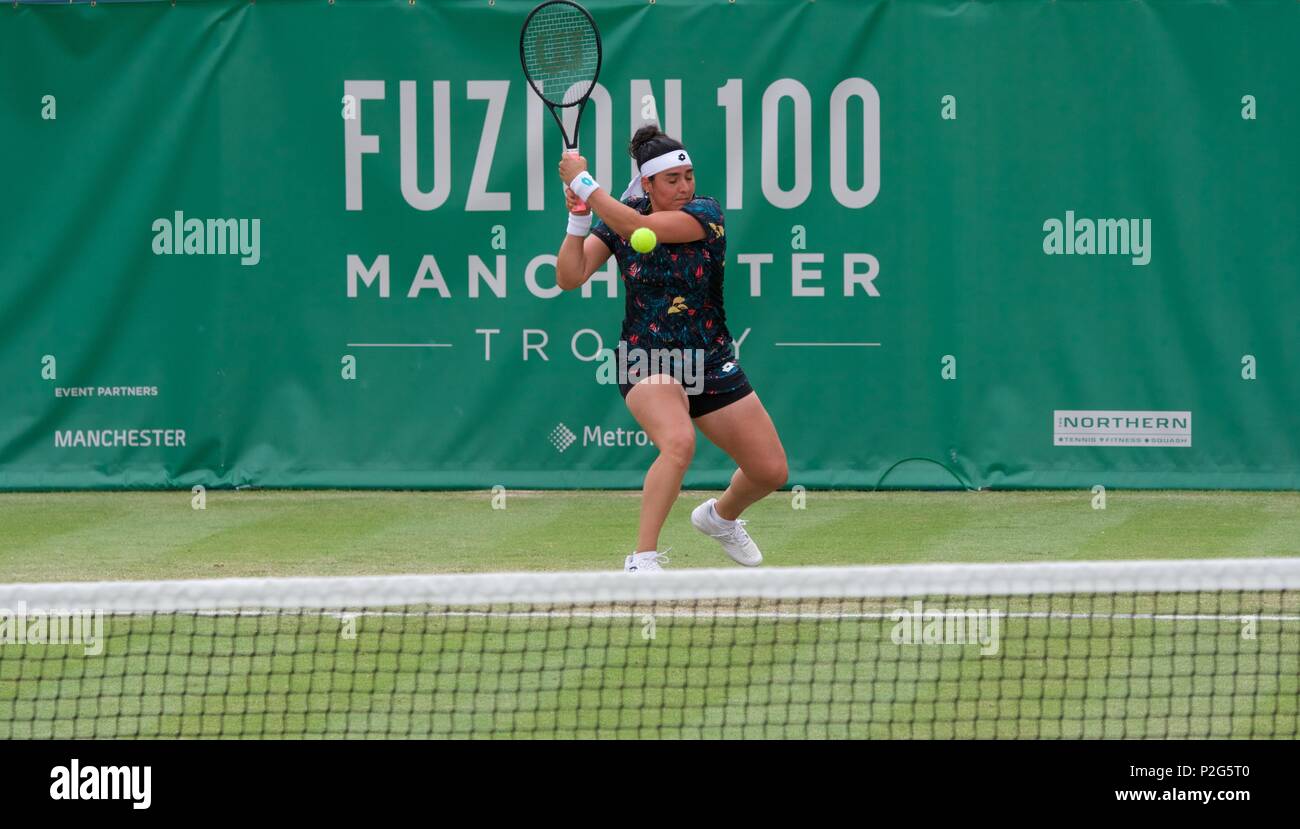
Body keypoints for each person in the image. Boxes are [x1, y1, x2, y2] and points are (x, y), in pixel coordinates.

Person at [554, 125, 788, 573]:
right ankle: (641, 559)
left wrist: (583, 181)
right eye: (672, 180)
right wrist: (579, 219)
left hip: (710, 358)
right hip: (647, 357)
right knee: (678, 442)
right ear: (648, 183)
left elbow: (639, 226)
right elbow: (570, 276)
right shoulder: (622, 216)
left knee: (770, 471)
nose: (684, 187)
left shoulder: (705, 213)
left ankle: (720, 518)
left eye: (689, 177)